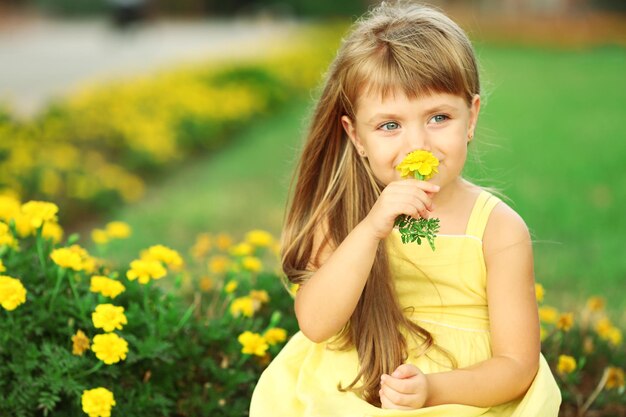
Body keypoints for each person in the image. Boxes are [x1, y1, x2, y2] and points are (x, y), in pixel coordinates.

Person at [250, 1, 561, 416]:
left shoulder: (498, 230)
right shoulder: (344, 214)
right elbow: (316, 324)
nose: (417, 144)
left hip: (462, 392)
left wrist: (433, 390)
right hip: (354, 384)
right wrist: (372, 228)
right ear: (356, 136)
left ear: (471, 117)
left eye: (438, 117)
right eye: (389, 125)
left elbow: (516, 366)